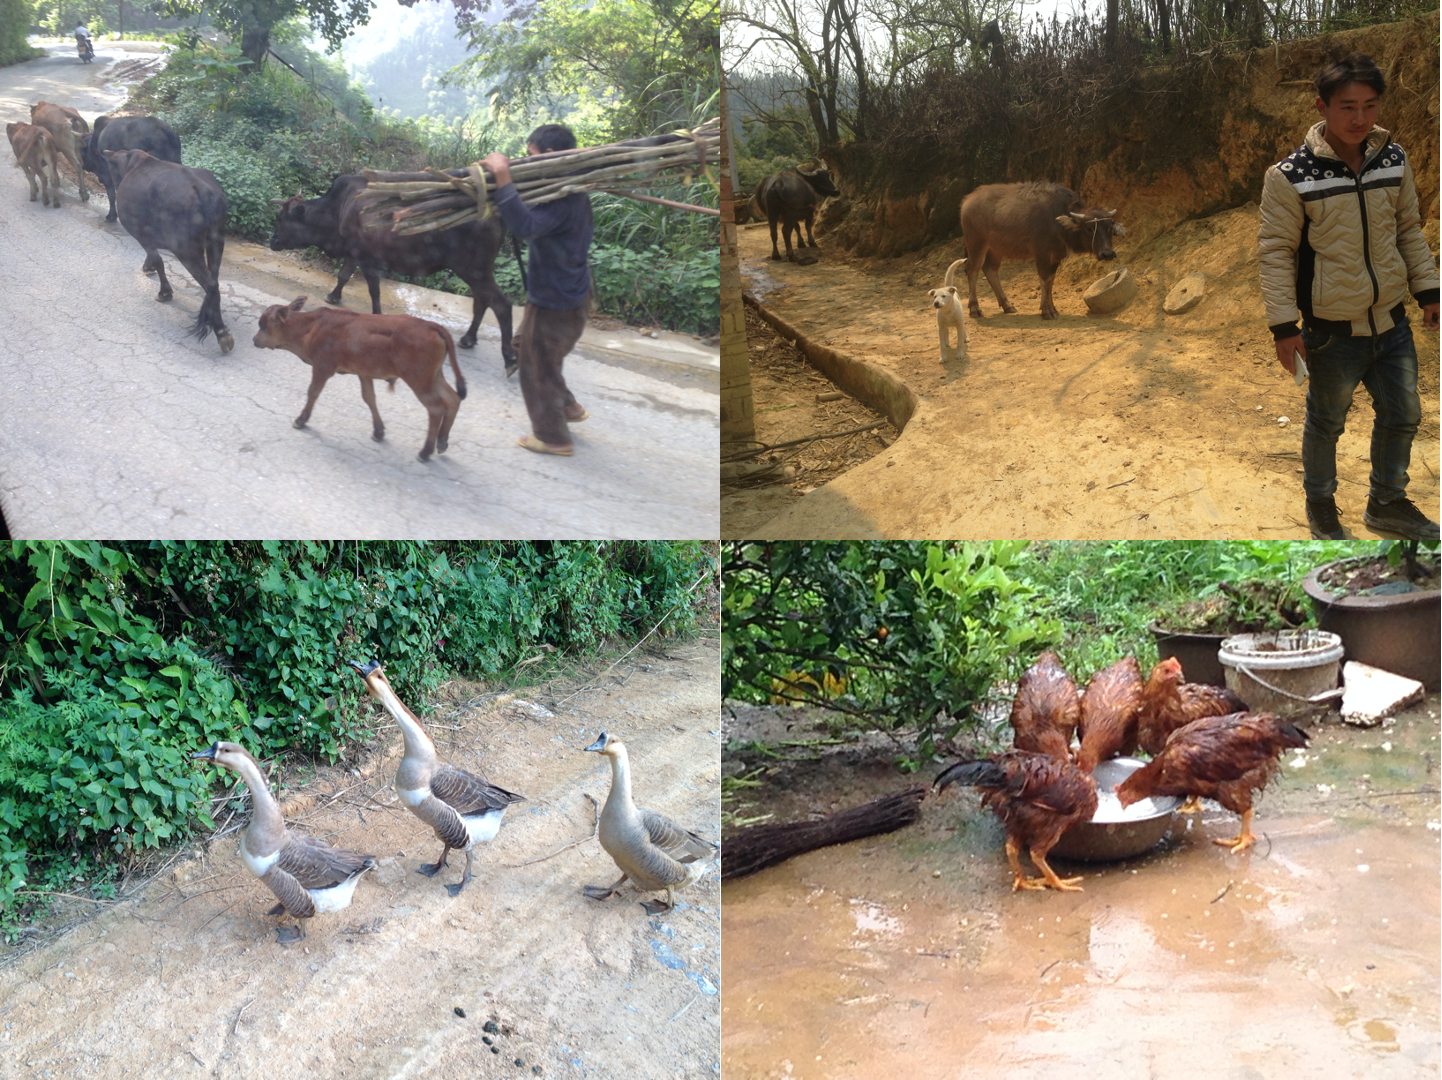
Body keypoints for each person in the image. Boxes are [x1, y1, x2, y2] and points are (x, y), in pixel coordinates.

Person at [1258, 52, 1440, 542]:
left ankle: (1387, 503)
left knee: (1404, 414)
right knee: (1326, 423)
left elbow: (1408, 230)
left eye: (1369, 105)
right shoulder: (1290, 175)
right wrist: (1283, 327)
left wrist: (1427, 289)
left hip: (1391, 323)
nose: (1360, 118)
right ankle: (1321, 505)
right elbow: (1276, 253)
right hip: (1330, 332)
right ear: (1322, 106)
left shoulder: (1394, 160)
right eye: (1347, 107)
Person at [481, 124, 594, 457]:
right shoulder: (569, 189)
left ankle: (553, 437)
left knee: (534, 362)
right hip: (561, 292)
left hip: (557, 300)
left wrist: (503, 177)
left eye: (530, 156)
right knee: (529, 349)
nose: (527, 162)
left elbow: (526, 226)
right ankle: (568, 406)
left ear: (548, 156)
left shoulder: (565, 198)